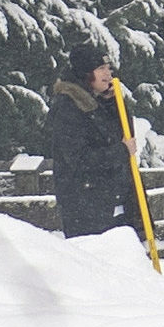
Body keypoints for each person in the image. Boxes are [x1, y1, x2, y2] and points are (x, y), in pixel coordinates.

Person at [47, 50, 137, 240]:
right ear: (86, 73)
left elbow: (124, 134)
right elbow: (79, 159)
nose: (108, 74)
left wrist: (113, 103)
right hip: (86, 207)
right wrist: (121, 151)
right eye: (101, 68)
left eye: (108, 68)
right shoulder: (69, 107)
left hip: (111, 202)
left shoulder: (99, 103)